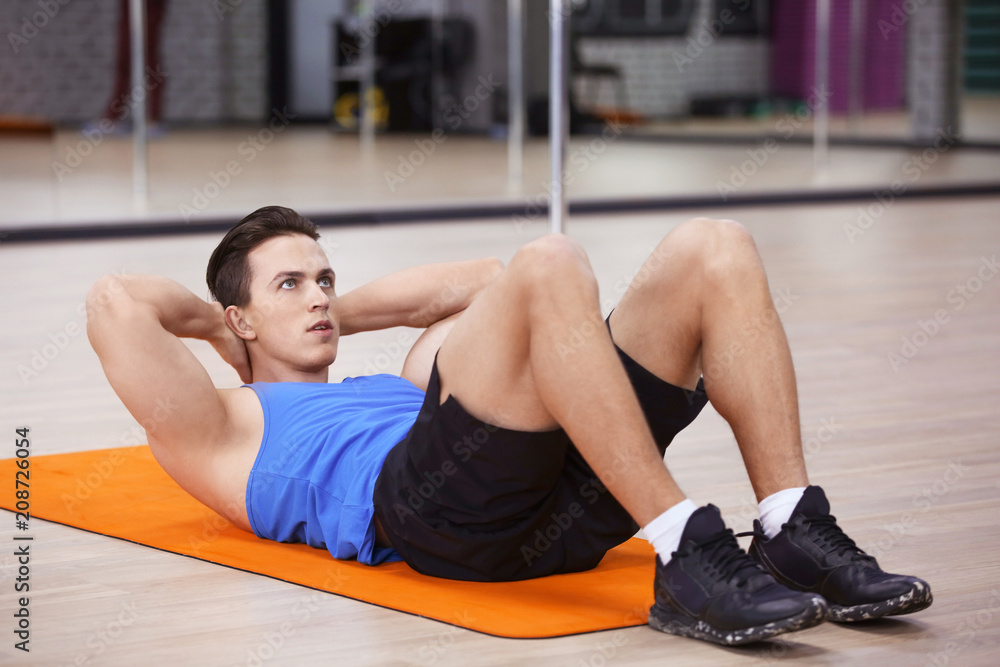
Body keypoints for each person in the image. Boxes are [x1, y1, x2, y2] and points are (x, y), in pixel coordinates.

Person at [86, 206, 932, 646]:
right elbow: (115, 304)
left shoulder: (401, 381)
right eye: (290, 285)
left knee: (715, 245)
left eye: (325, 278)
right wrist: (216, 326)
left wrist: (326, 310)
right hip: (432, 520)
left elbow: (482, 281)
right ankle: (684, 544)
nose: (316, 295)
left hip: (551, 509)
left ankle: (790, 522)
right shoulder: (226, 423)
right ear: (240, 317)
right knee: (549, 264)